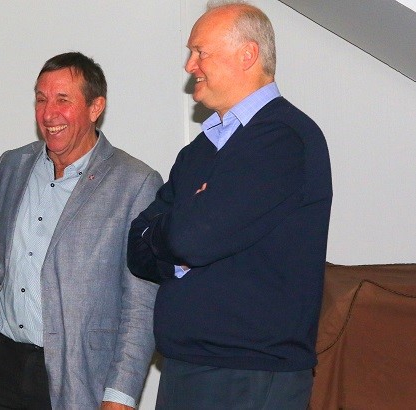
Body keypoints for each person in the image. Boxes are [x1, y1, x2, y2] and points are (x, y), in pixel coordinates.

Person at [0, 51, 163, 409]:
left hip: (79, 375)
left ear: (96, 108)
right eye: (42, 99)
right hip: (1, 362)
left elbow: (141, 302)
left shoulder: (135, 183)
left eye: (63, 100)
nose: (49, 114)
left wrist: (120, 396)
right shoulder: (14, 164)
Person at [127, 1, 332, 408]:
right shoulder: (202, 149)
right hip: (188, 368)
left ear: (248, 54)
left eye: (201, 51)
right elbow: (136, 246)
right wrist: (180, 237)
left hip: (249, 377)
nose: (190, 65)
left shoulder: (283, 138)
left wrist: (175, 234)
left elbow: (190, 237)